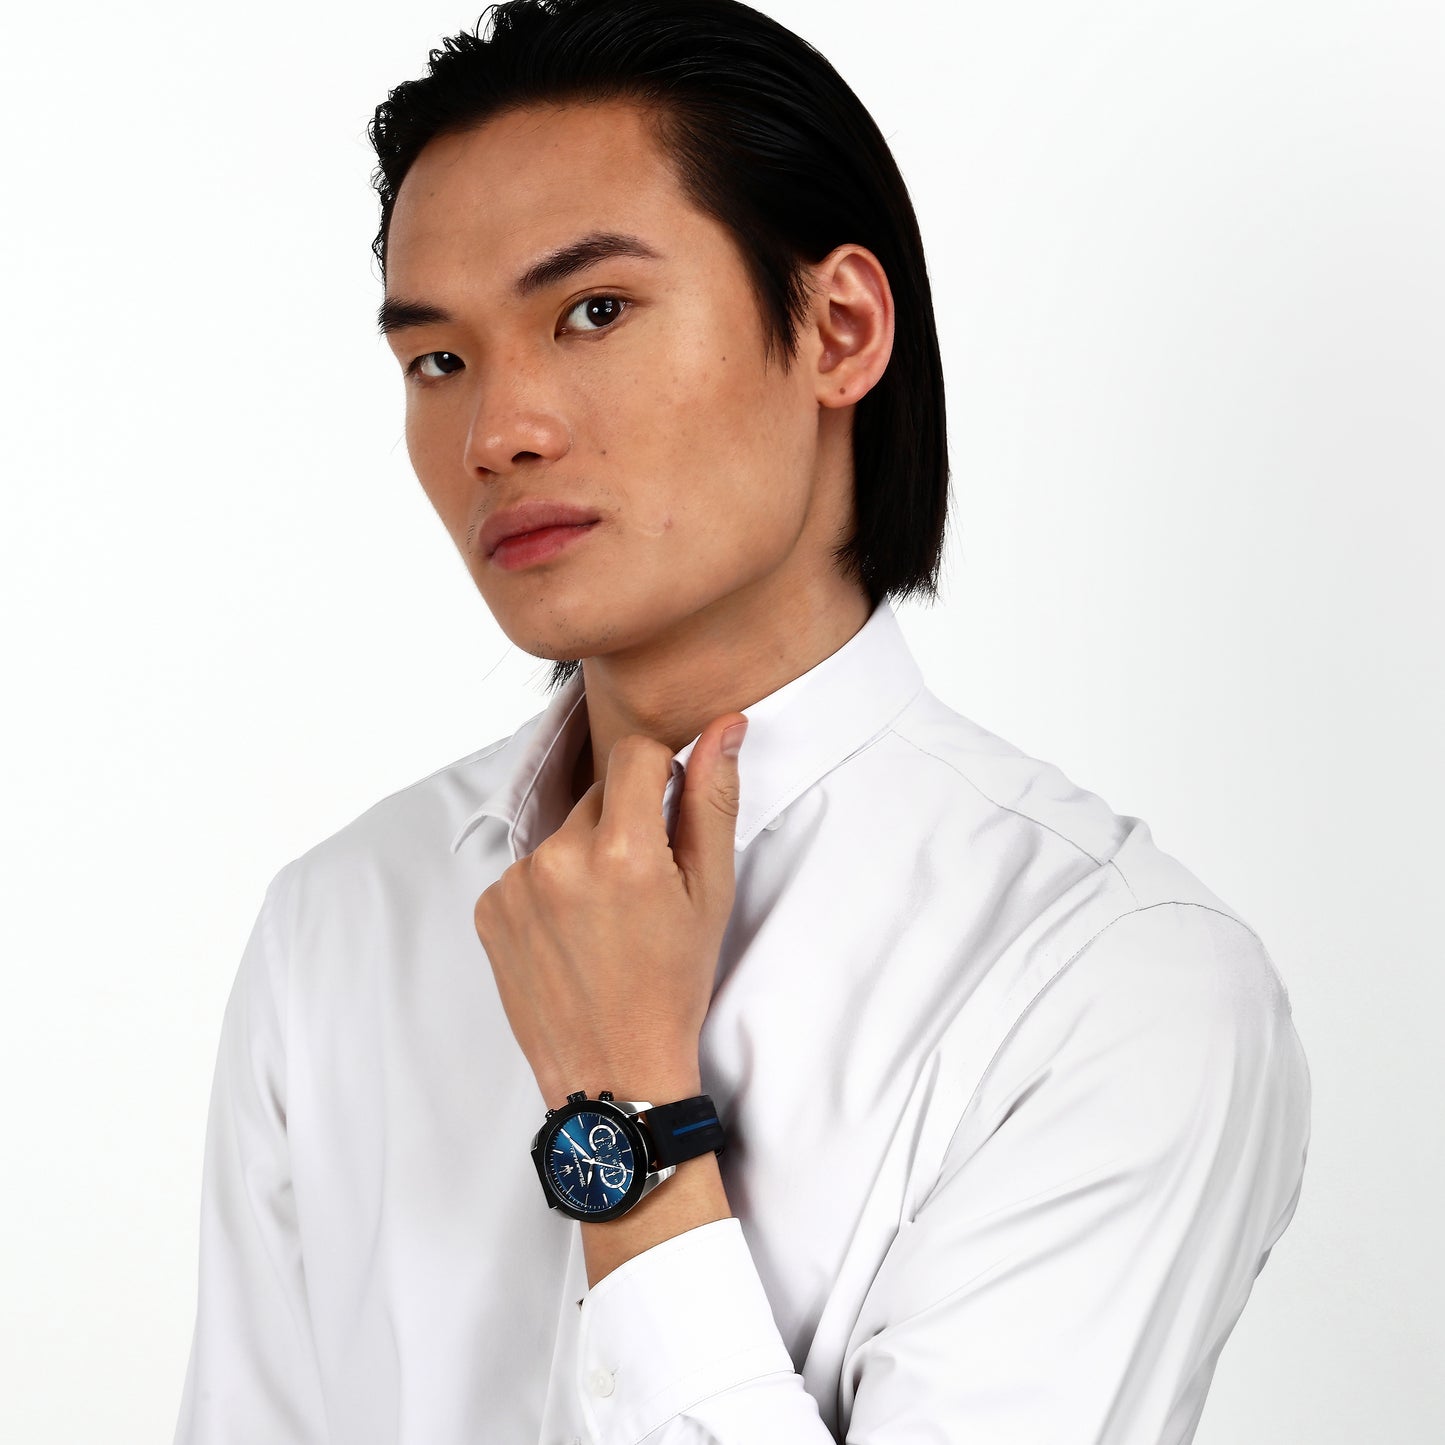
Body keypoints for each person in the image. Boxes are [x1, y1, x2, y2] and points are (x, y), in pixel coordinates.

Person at [172, 1, 1312, 1441]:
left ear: (839, 328)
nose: (497, 433)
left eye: (593, 312)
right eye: (437, 360)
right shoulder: (342, 918)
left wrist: (628, 1118)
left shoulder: (1110, 982)